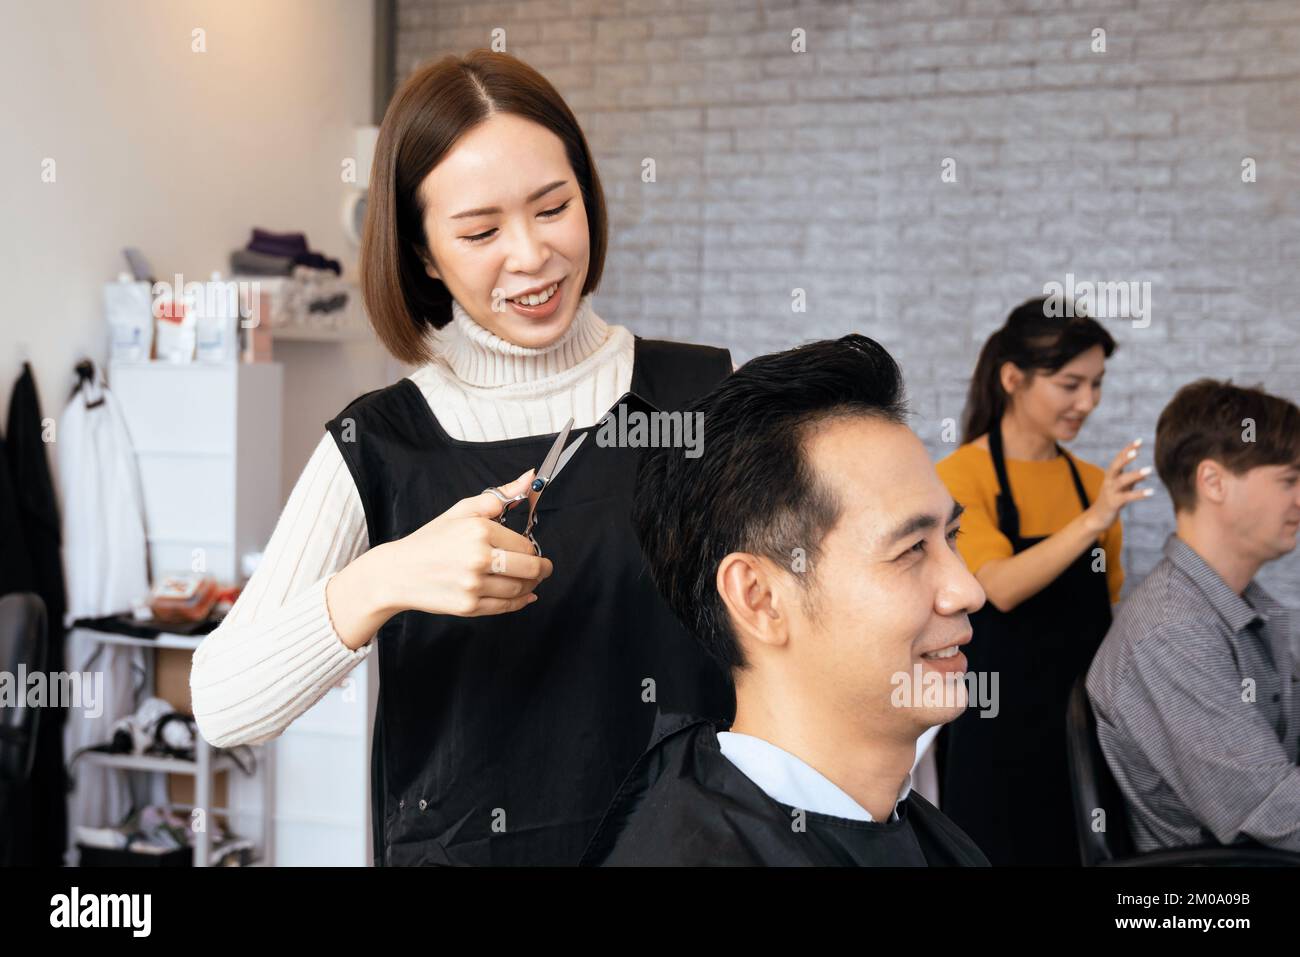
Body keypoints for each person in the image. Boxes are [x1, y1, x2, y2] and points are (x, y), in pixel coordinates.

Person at [190, 50, 735, 866]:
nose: (531, 255)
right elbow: (223, 703)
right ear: (421, 252)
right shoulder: (381, 445)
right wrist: (385, 578)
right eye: (481, 230)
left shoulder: (699, 400)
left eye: (554, 207)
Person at [582, 335, 990, 866]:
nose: (968, 590)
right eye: (911, 548)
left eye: (950, 537)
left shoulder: (933, 840)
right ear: (759, 599)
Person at [933, 296, 1150, 865]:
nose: (1088, 402)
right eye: (1070, 383)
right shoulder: (960, 476)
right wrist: (1093, 520)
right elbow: (999, 585)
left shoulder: (1093, 484)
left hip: (1085, 727)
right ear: (1013, 378)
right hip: (995, 730)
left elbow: (1110, 606)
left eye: (1096, 384)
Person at [1087, 379, 1300, 853]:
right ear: (1213, 482)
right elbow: (1274, 811)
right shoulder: (1173, 631)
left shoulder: (1237, 604)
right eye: (1289, 480)